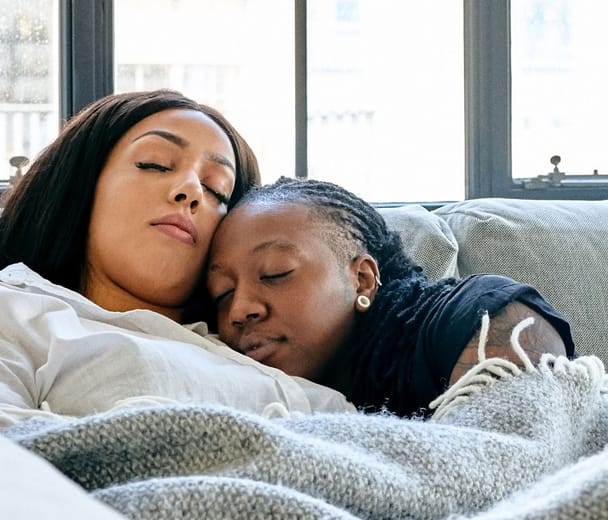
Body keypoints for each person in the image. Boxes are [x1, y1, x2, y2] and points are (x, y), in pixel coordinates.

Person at [0, 90, 356, 427]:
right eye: (155, 164)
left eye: (218, 189)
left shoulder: (256, 351)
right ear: (80, 184)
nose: (192, 191)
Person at [206, 177, 576, 419]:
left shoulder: (465, 315)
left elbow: (519, 453)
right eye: (222, 294)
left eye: (275, 273)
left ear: (362, 279)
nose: (239, 310)